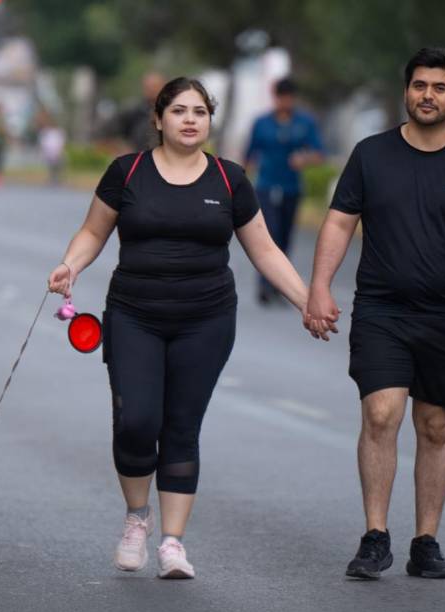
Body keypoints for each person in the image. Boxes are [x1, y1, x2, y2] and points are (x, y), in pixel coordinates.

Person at [46, 77, 314, 580]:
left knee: (181, 427)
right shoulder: (128, 173)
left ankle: (172, 543)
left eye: (200, 112)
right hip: (134, 315)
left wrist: (307, 301)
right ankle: (136, 518)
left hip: (206, 320)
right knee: (136, 421)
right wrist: (70, 266)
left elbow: (264, 249)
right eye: (179, 111)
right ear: (158, 119)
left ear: (209, 121)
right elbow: (93, 230)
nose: (190, 120)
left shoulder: (229, 180)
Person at [305, 47, 445, 580]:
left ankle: (426, 541)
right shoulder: (371, 155)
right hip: (382, 308)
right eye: (420, 85)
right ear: (406, 91)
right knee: (381, 415)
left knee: (437, 425)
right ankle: (375, 537)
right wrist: (319, 288)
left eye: (439, 87)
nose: (428, 95)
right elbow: (337, 224)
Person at [244, 77, 325, 305]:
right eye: (282, 97)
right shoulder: (261, 123)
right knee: (270, 234)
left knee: (286, 237)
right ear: (275, 97)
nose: (285, 102)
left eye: (289, 98)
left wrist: (304, 158)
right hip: (266, 186)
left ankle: (279, 286)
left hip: (291, 187)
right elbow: (249, 155)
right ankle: (264, 285)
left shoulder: (305, 122)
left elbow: (319, 153)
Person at [100, 71, 164, 153]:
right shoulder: (133, 111)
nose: (152, 90)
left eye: (155, 86)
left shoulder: (172, 112)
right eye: (148, 87)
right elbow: (107, 134)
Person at [38, 115, 66, 185]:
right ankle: (51, 179)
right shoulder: (46, 132)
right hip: (49, 153)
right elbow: (43, 143)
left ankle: (58, 179)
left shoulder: (59, 132)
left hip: (57, 152)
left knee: (59, 166)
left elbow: (61, 142)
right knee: (51, 167)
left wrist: (58, 150)